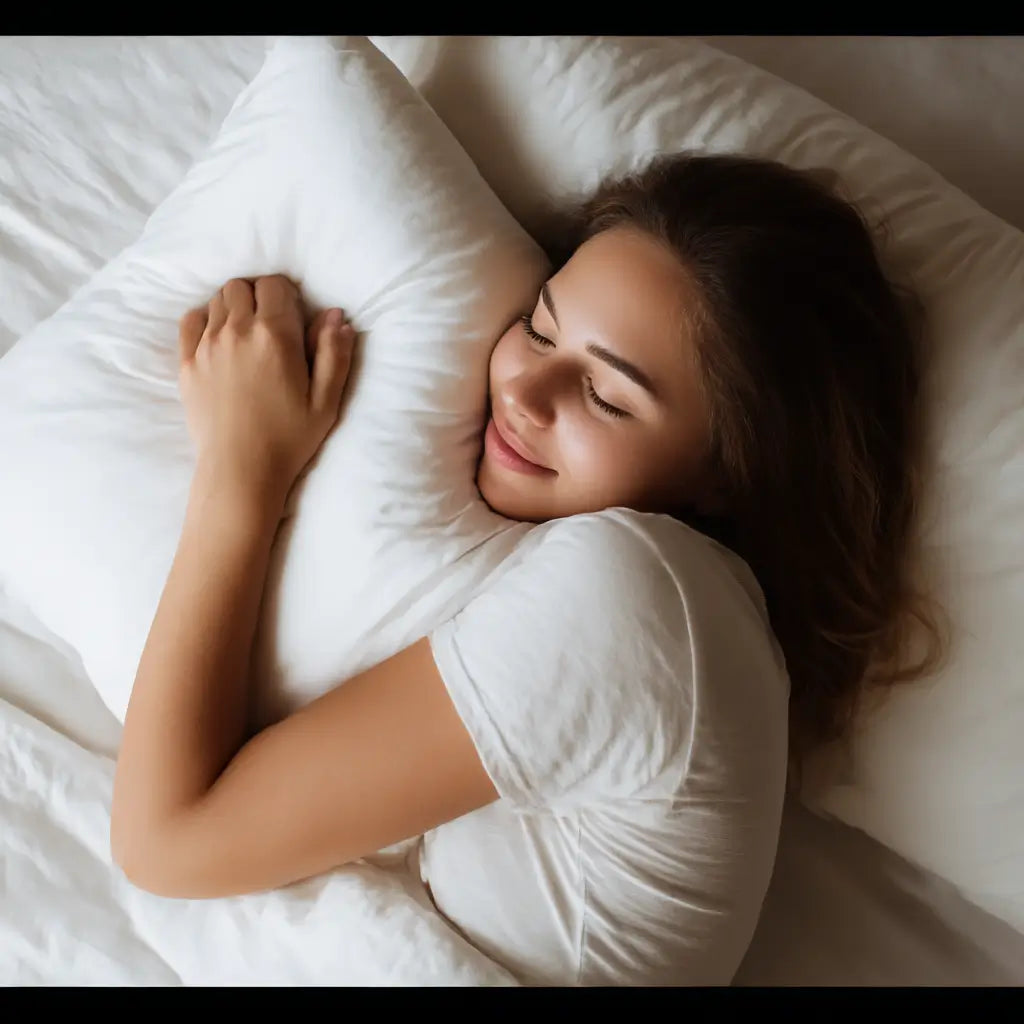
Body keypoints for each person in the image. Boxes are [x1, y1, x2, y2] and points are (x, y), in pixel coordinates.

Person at [109, 152, 944, 985]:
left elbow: (167, 842)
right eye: (541, 330)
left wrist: (240, 466)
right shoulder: (695, 619)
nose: (525, 393)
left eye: (607, 396)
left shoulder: (639, 596)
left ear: (730, 475)